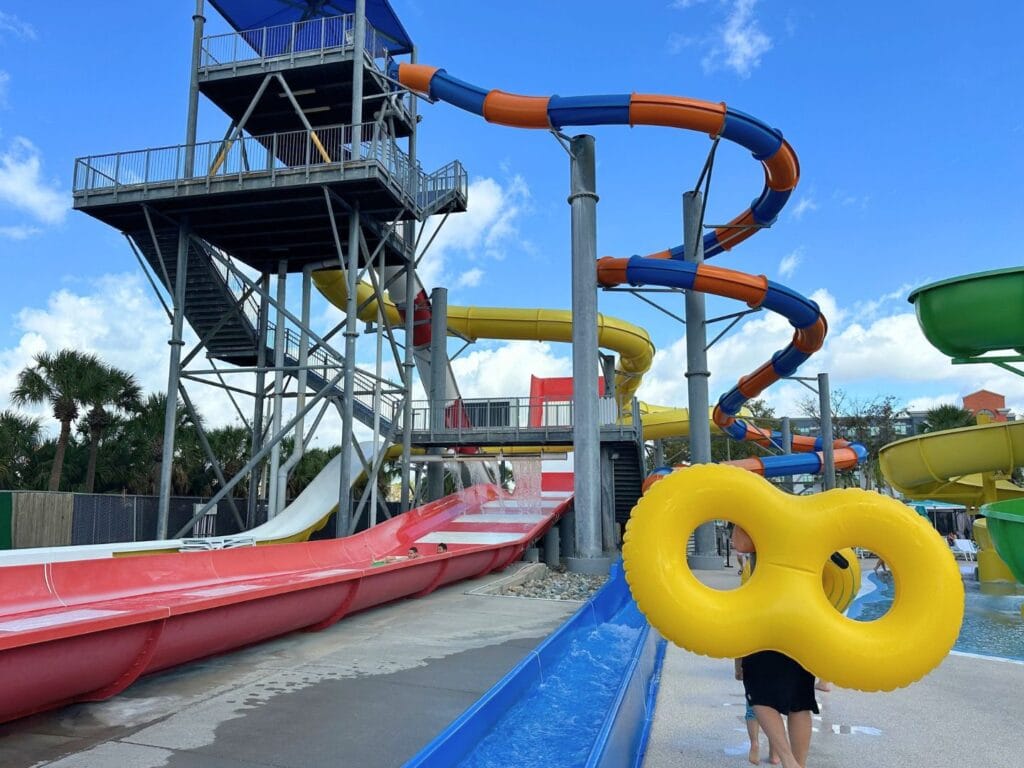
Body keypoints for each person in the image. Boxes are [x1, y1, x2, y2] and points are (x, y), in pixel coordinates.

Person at [731, 524, 817, 768]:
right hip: (804, 613)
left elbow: (740, 543)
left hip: (765, 612)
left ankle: (789, 761)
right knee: (800, 699)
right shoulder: (808, 525)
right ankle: (799, 764)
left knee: (759, 691)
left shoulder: (762, 517)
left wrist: (742, 516)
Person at [735, 659, 780, 765]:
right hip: (777, 667)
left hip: (753, 666)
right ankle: (774, 752)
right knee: (775, 710)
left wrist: (738, 670)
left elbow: (739, 652)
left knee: (752, 708)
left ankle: (754, 744)